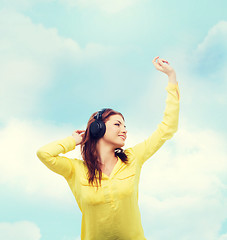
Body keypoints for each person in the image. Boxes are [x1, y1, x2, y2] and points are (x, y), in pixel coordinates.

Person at [36, 56, 180, 240]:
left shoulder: (133, 158)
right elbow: (44, 154)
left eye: (125, 126)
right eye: (117, 125)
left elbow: (167, 128)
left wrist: (171, 77)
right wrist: (74, 140)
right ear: (99, 128)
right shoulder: (75, 170)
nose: (124, 130)